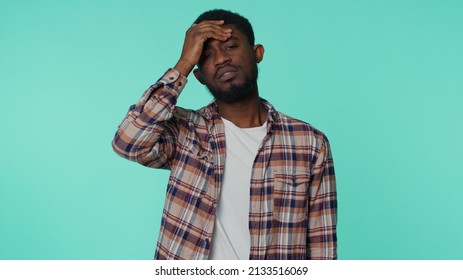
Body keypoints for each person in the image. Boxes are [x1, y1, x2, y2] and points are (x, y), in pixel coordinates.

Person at [112, 9, 337, 260]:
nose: (220, 59)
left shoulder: (309, 144)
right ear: (198, 75)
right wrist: (184, 63)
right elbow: (127, 143)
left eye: (230, 46)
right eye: (206, 55)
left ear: (257, 53)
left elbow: (321, 246)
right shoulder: (186, 130)